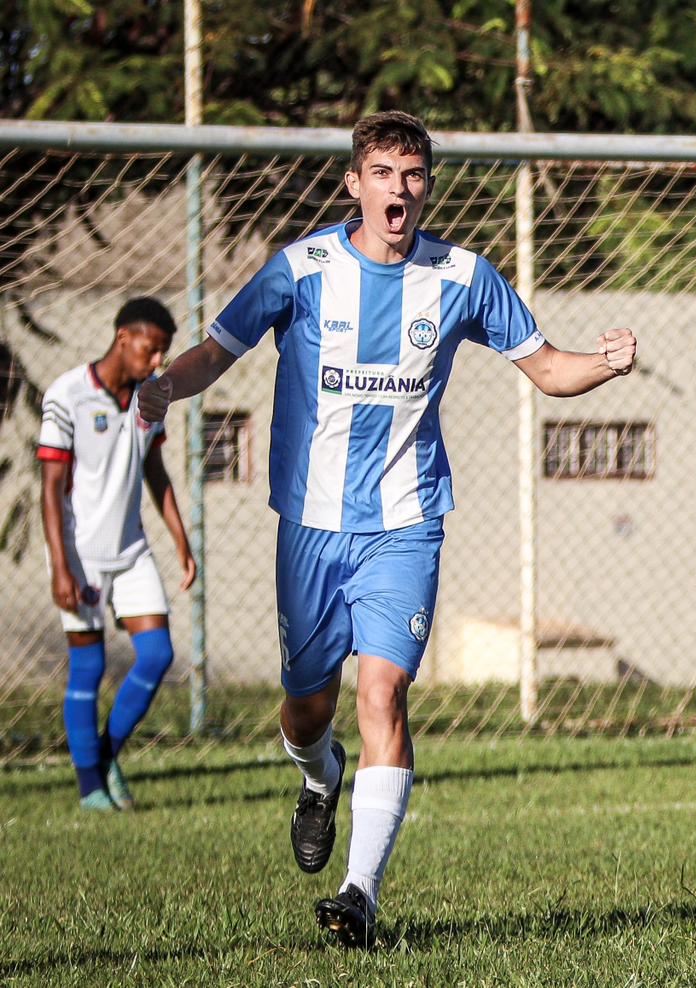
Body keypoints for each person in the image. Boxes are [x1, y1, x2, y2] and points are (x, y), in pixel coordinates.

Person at [137, 111, 637, 948]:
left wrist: (607, 362)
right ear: (354, 184)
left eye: (412, 175)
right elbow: (219, 351)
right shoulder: (301, 270)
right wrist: (163, 386)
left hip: (406, 523)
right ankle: (319, 775)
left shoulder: (465, 277)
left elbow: (547, 368)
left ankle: (360, 893)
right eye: (382, 174)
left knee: (384, 692)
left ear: (426, 185)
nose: (398, 191)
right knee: (307, 708)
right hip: (310, 527)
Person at [38, 297, 195, 811]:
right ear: (124, 336)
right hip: (79, 555)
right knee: (89, 665)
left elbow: (154, 470)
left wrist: (180, 539)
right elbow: (51, 485)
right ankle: (91, 791)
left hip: (131, 550)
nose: (157, 363)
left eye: (163, 355)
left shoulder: (151, 399)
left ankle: (103, 757)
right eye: (152, 351)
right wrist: (61, 567)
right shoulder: (68, 395)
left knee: (158, 654)